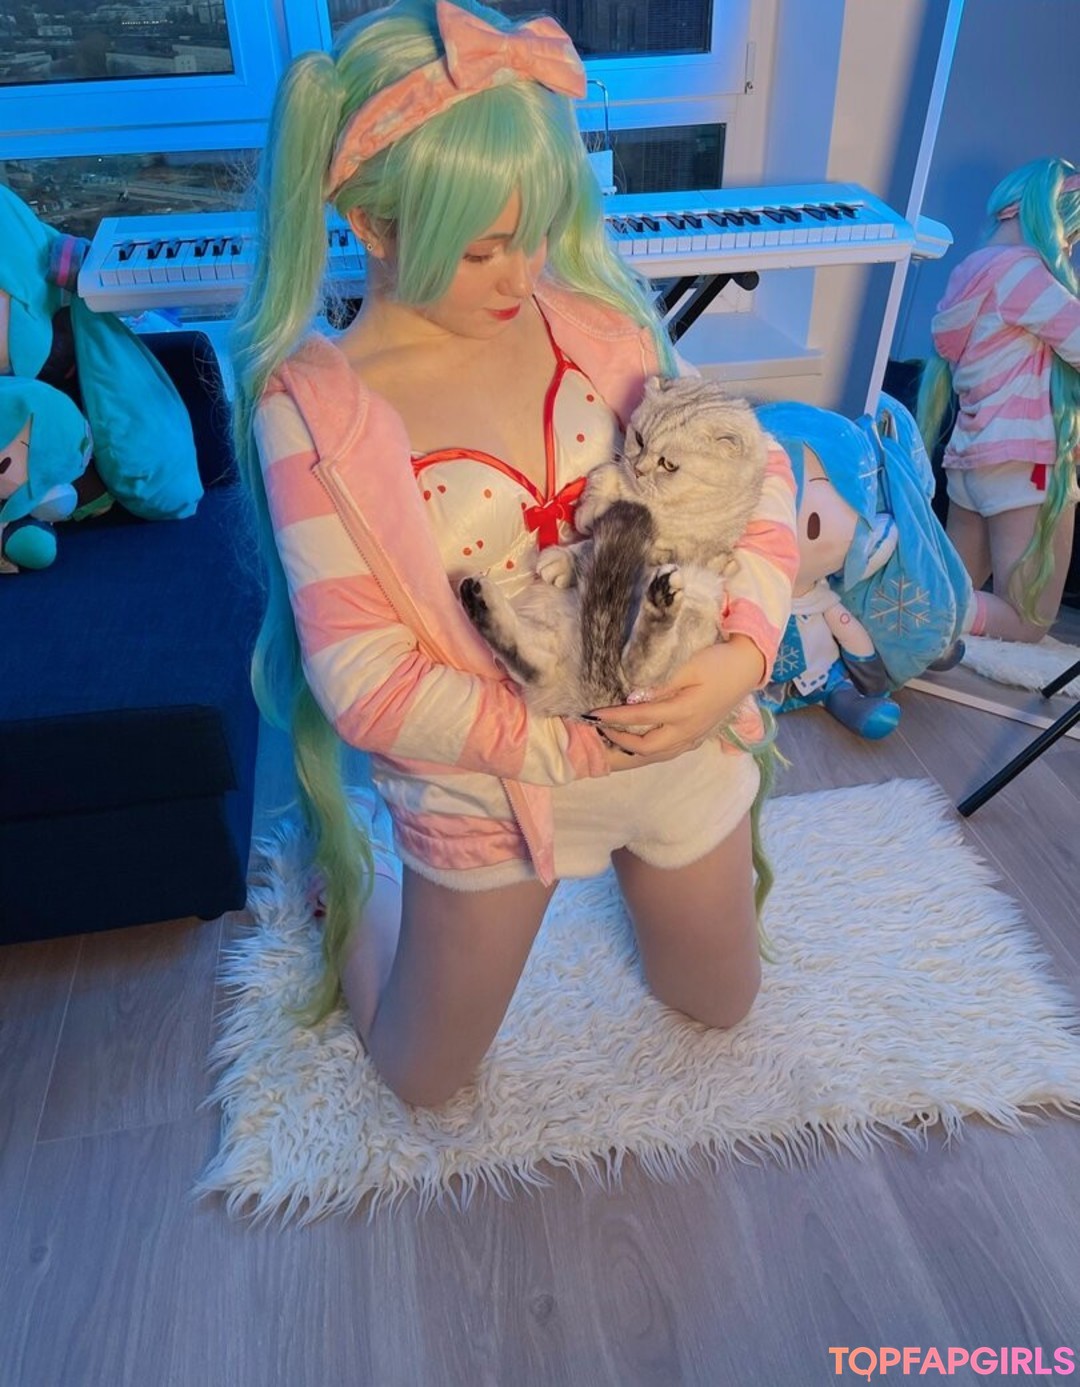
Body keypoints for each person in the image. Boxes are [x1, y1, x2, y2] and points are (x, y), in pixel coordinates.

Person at [232, 0, 798, 1107]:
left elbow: (757, 471)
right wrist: (568, 749)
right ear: (372, 224)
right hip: (491, 788)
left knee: (722, 1004)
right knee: (422, 1080)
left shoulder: (595, 324)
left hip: (682, 744)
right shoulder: (316, 414)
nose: (521, 271)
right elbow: (366, 681)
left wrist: (742, 654)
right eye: (484, 248)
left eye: (537, 229)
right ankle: (349, 891)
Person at [918, 157, 1080, 642]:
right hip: (1024, 462)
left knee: (955, 592)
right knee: (1028, 623)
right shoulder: (1022, 273)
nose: (1069, 249)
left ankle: (918, 619)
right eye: (1071, 234)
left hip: (971, 459)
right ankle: (920, 614)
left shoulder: (970, 273)